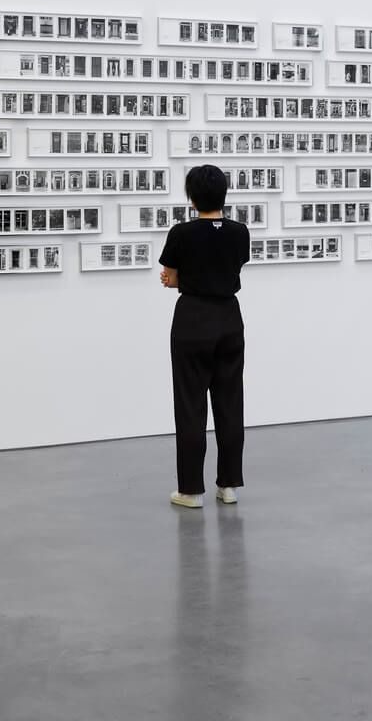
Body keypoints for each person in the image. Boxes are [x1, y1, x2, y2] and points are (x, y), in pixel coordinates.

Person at [158, 164, 251, 509]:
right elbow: (231, 269)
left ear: (191, 196)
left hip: (192, 319)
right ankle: (229, 486)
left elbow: (170, 278)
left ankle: (190, 491)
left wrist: (183, 280)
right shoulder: (239, 232)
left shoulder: (181, 233)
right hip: (229, 318)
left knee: (190, 406)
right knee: (230, 404)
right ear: (223, 194)